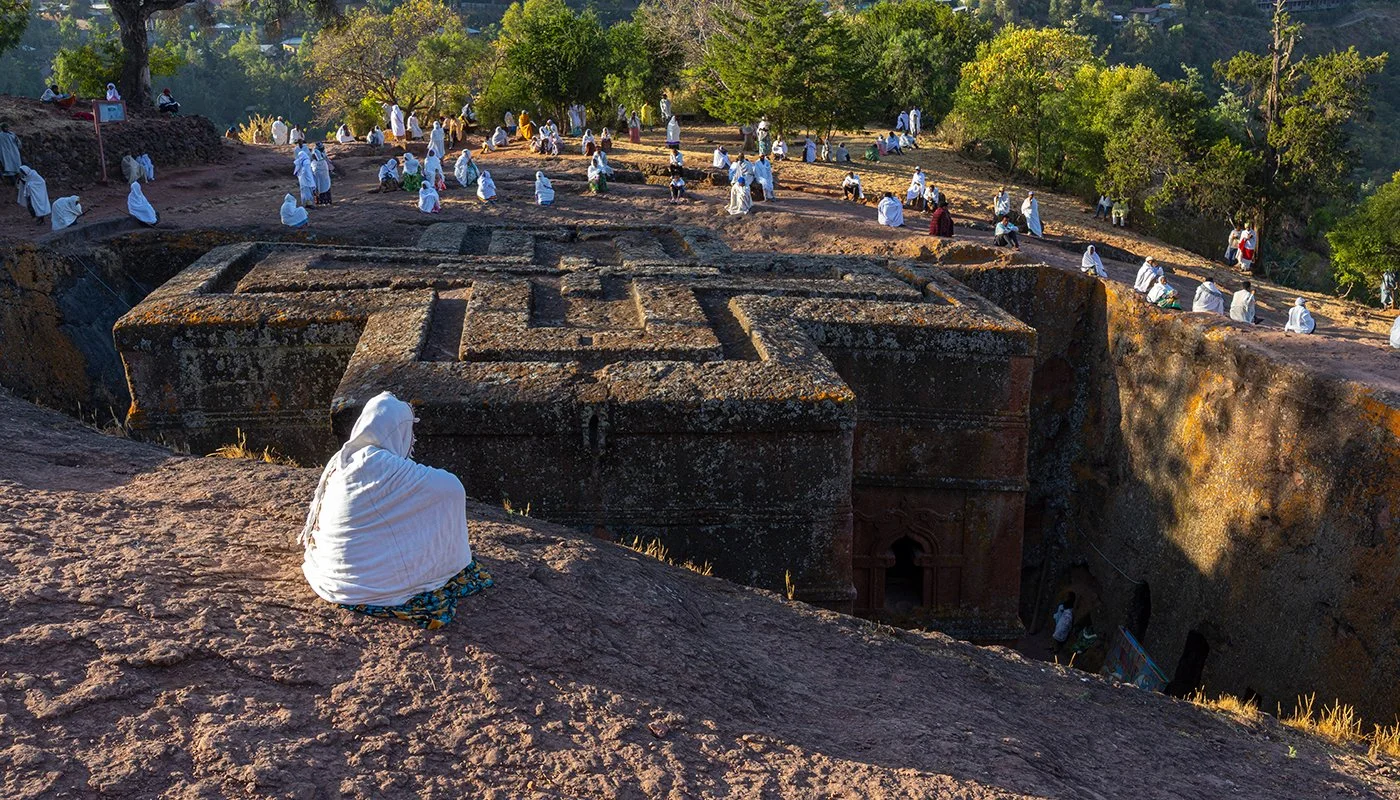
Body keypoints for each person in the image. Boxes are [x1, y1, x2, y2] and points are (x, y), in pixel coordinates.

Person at [300, 392, 493, 629]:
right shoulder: (383, 465)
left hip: (330, 575)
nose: (411, 439)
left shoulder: (343, 459)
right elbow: (451, 488)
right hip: (367, 587)